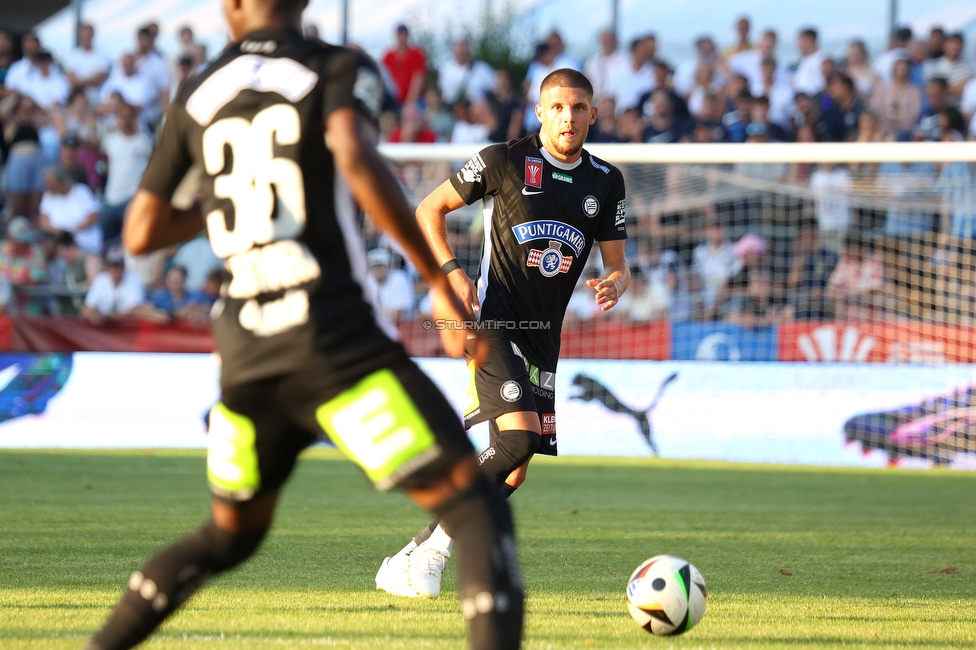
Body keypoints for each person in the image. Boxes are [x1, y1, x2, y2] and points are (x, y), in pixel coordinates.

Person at [83, 1, 523, 649]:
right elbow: (350, 149)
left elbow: (142, 231)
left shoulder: (198, 90)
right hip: (331, 344)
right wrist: (434, 273)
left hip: (242, 353)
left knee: (228, 536)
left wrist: (238, 198)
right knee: (475, 507)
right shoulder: (336, 68)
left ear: (231, 6)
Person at [374, 68, 629, 600]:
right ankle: (434, 554)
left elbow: (618, 264)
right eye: (557, 107)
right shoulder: (504, 160)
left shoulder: (606, 182)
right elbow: (428, 209)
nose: (568, 116)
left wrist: (616, 281)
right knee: (518, 437)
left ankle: (409, 554)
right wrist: (449, 272)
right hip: (493, 322)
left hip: (544, 337)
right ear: (540, 112)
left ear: (593, 115)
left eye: (579, 107)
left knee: (512, 471)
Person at [38, 165, 102, 254]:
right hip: (60, 244)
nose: (50, 187)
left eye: (53, 184)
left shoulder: (80, 190)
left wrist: (75, 229)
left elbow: (94, 215)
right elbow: (43, 222)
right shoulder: (48, 196)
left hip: (84, 242)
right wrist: (59, 231)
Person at [381, 24, 427, 107]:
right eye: (399, 34)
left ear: (407, 35)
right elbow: (384, 78)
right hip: (393, 100)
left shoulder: (416, 54)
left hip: (413, 100)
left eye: (403, 34)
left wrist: (410, 101)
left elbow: (418, 78)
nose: (401, 37)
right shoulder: (388, 56)